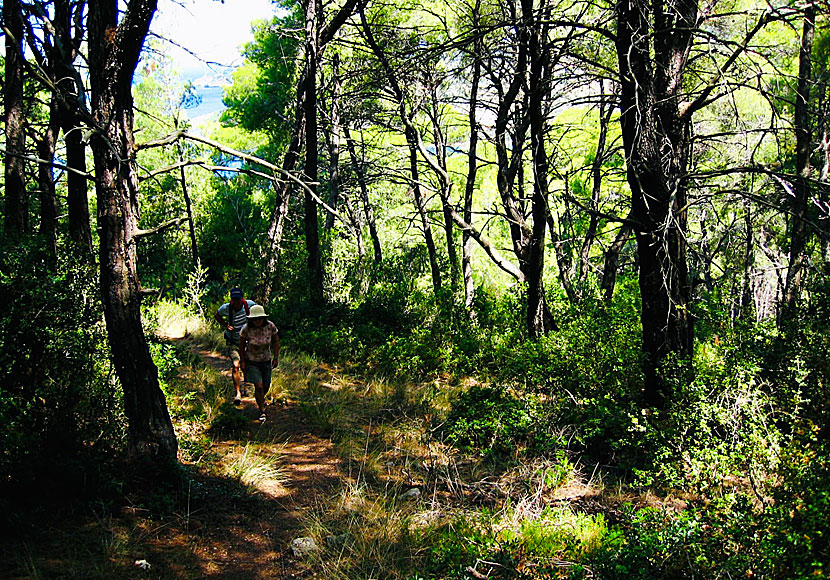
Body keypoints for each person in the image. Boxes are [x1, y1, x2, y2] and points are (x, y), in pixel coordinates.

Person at [214, 287, 256, 404]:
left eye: (238, 299)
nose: (236, 301)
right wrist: (226, 325)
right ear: (231, 299)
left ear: (241, 298)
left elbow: (258, 312)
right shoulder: (226, 308)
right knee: (236, 365)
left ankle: (246, 387)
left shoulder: (249, 305)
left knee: (246, 364)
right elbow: (217, 315)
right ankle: (237, 393)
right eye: (234, 299)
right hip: (233, 342)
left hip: (247, 342)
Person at [239, 304, 279, 423]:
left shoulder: (270, 326)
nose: (258, 321)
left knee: (266, 385)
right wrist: (243, 361)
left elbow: (276, 341)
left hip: (266, 361)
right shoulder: (246, 329)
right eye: (255, 319)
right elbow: (241, 346)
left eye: (260, 318)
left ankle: (260, 399)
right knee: (259, 385)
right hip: (252, 361)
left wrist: (276, 357)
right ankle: (262, 411)